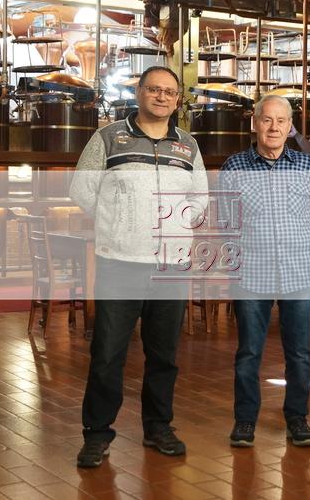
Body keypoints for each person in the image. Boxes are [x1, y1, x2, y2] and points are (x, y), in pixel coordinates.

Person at [69, 66, 208, 468]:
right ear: (140, 92)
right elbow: (82, 189)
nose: (161, 97)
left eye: (169, 92)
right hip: (120, 263)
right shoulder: (108, 137)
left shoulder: (188, 146)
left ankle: (158, 427)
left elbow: (200, 197)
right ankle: (97, 434)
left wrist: (180, 225)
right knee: (108, 353)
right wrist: (118, 224)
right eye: (154, 89)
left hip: (171, 266)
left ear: (177, 100)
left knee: (164, 355)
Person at [219, 94, 310, 448]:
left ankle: (297, 418)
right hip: (251, 274)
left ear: (290, 126)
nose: (274, 127)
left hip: (298, 272)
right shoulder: (234, 167)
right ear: (255, 123)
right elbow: (226, 223)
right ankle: (245, 420)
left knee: (300, 353)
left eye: (281, 121)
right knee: (249, 352)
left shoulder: (307, 167)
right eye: (267, 119)